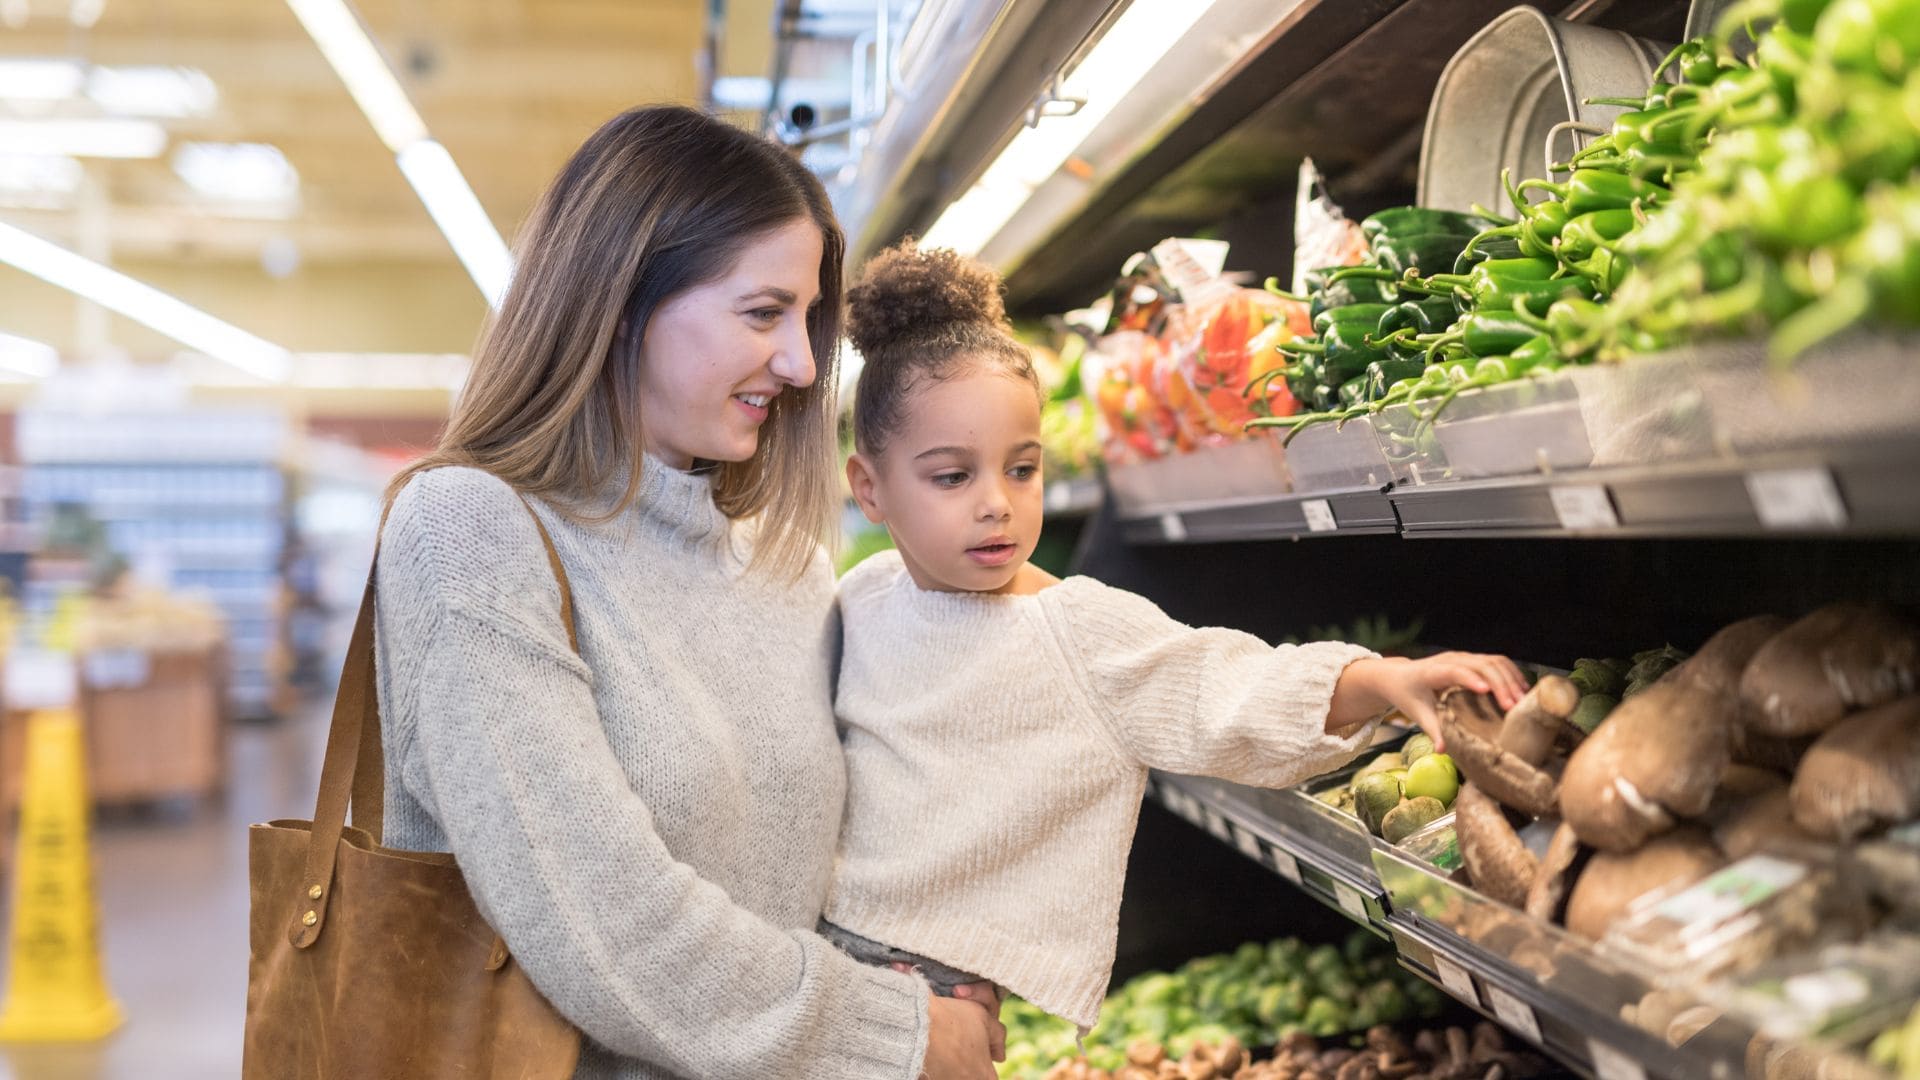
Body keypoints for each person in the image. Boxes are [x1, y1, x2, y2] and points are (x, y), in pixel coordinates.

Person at [371, 107, 1003, 1079]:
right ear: (621, 302)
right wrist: (896, 1033)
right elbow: (609, 923)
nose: (799, 365)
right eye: (763, 313)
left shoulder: (788, 565)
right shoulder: (471, 532)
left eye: (806, 320)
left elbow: (822, 879)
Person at [826, 241, 1529, 1032]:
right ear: (869, 488)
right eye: (953, 476)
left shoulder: (1076, 628)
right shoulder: (858, 599)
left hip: (942, 998)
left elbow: (1220, 688)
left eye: (1020, 470)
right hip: (831, 974)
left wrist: (1381, 681)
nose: (996, 503)